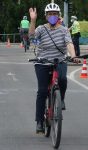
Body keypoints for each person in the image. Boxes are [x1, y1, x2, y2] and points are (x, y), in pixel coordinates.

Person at [29, 2, 79, 133]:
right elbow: (32, 39)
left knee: (62, 79)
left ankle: (60, 99)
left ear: (58, 16)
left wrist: (73, 56)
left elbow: (69, 43)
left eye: (55, 14)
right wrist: (33, 21)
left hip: (59, 61)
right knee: (42, 91)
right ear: (46, 16)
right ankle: (39, 121)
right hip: (42, 62)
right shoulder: (41, 28)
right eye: (50, 14)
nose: (52, 16)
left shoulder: (63, 29)